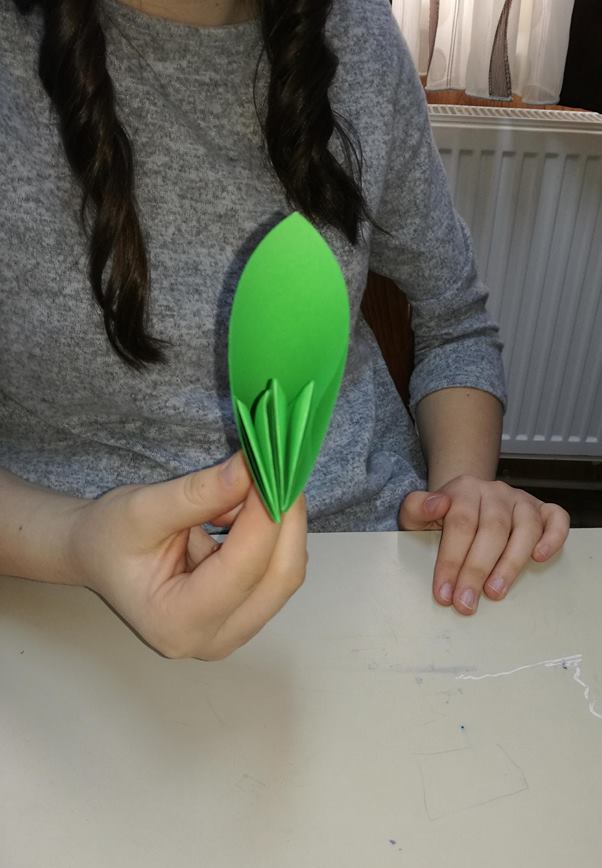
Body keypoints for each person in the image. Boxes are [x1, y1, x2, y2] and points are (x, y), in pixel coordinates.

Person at [0, 0, 569, 659]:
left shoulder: (360, 37)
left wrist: (460, 494)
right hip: (55, 600)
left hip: (375, 569)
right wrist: (76, 542)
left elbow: (455, 323)